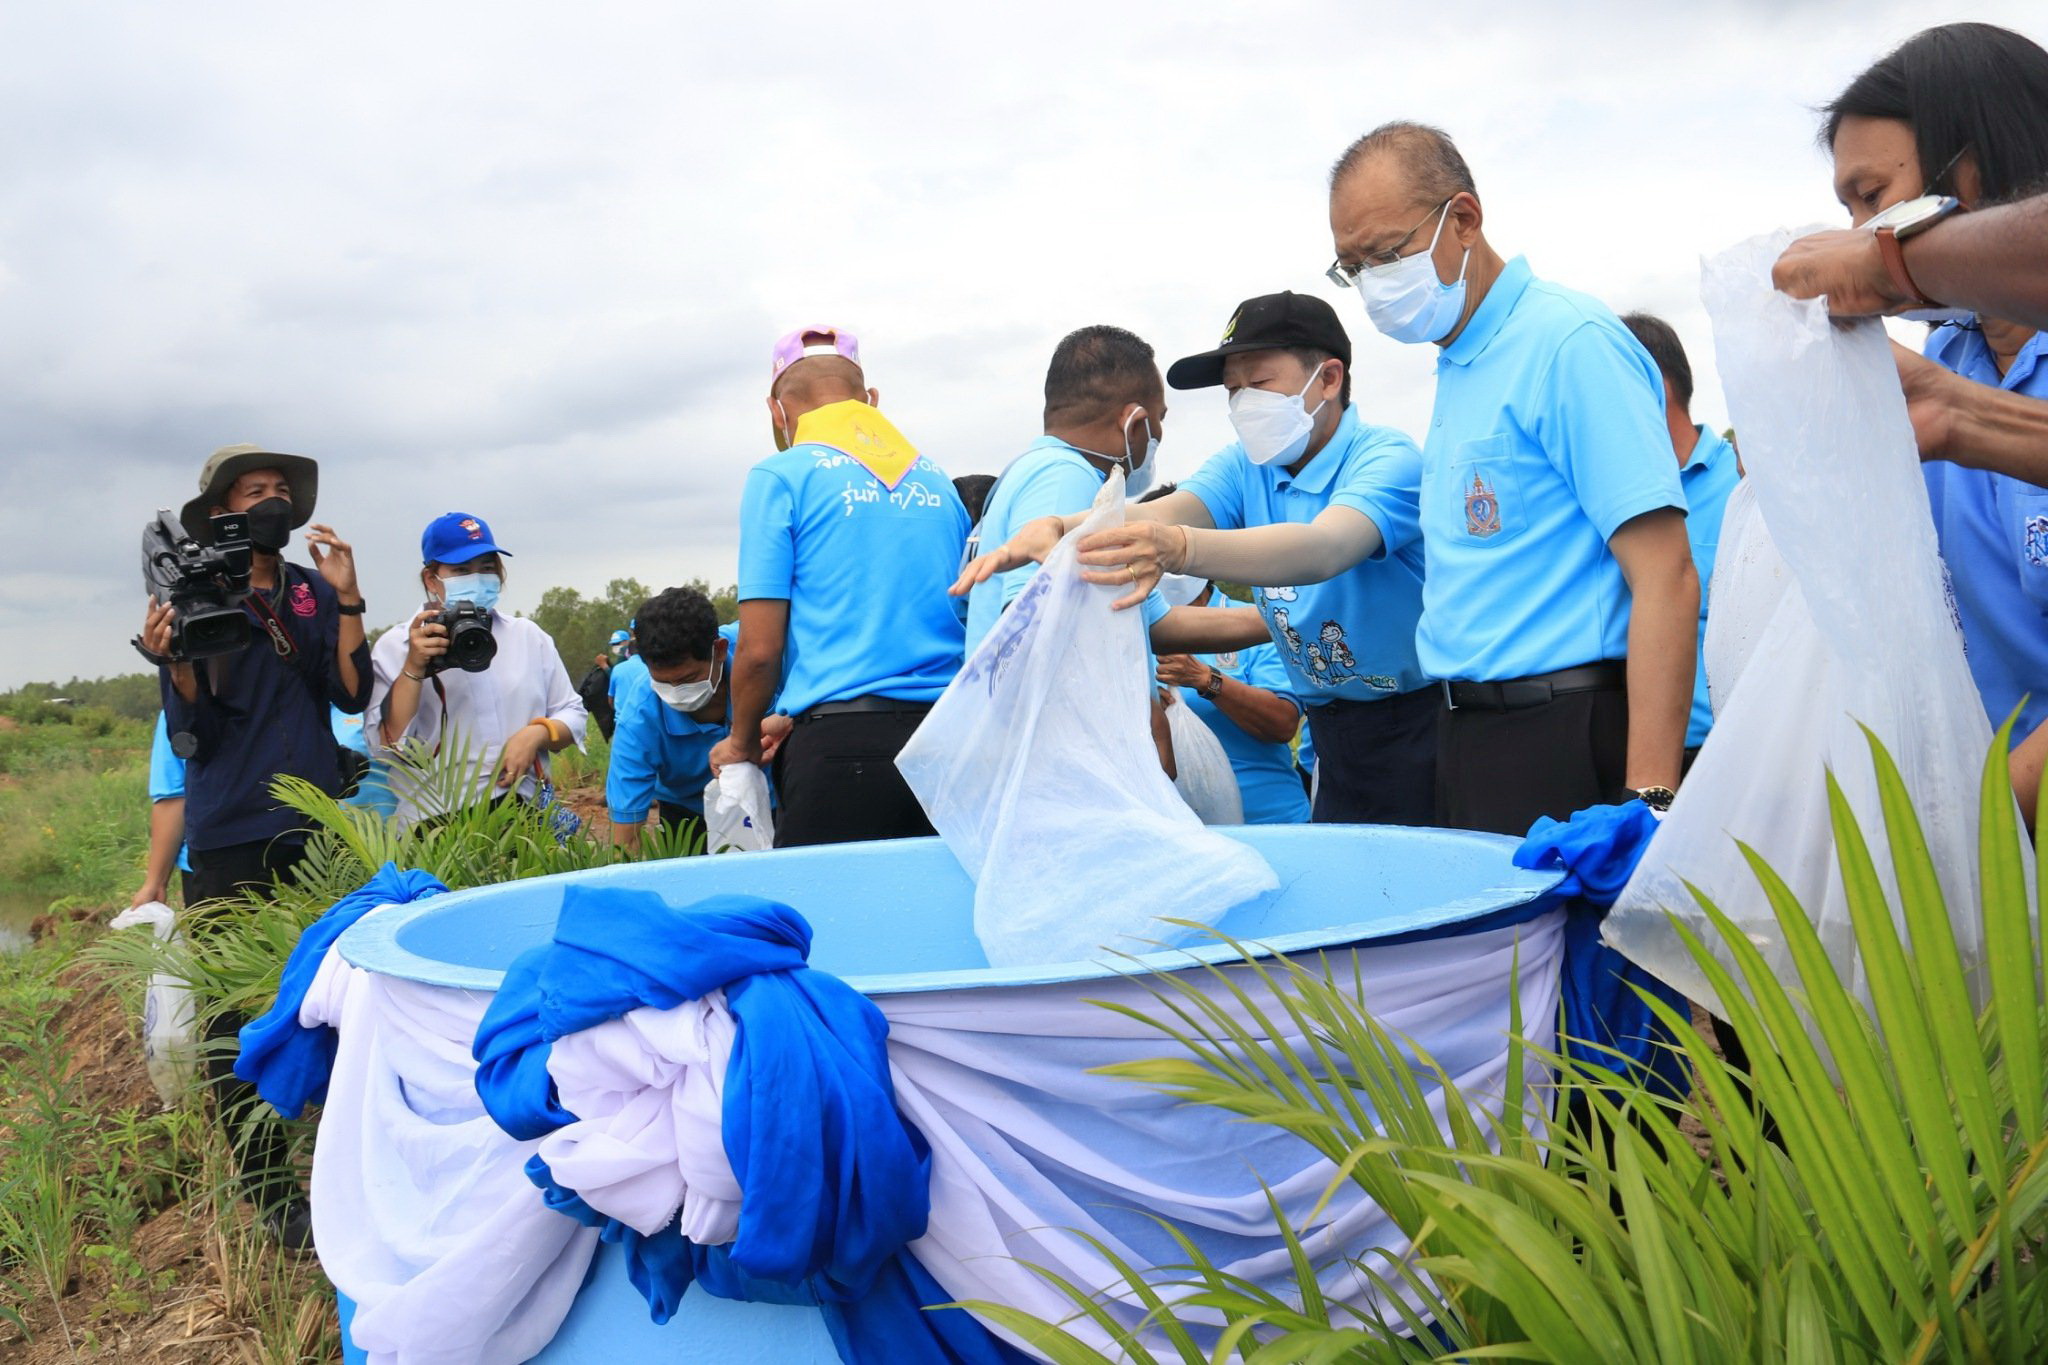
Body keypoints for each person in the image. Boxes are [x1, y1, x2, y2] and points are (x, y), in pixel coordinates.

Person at [1325, 122, 1696, 835]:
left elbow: (1667, 574)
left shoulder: (1566, 342)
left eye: (1385, 254)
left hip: (1566, 731)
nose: (1372, 284)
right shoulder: (1462, 362)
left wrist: (1650, 798)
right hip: (1468, 736)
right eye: (1353, 266)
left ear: (1463, 219)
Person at [1020, 292, 1439, 825]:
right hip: (1331, 730)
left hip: (1420, 721)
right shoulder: (1247, 466)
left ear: (1328, 379)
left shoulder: (1386, 459)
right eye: (1233, 390)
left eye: (1258, 384)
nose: (1242, 403)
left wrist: (1178, 546)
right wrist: (1062, 525)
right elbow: (1177, 507)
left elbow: (1323, 549)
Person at [136, 443, 372, 1249]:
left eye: (281, 489)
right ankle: (273, 1193)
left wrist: (347, 600)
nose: (271, 500)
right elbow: (192, 725)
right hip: (232, 829)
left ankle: (348, 1162)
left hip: (314, 820)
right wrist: (176, 659)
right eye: (253, 491)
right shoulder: (197, 587)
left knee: (339, 996)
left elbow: (349, 691)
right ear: (224, 511)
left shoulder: (308, 593)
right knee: (236, 1013)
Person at [1794, 25, 2048, 754]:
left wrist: (1984, 819)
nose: (1857, 237)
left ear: (1975, 171)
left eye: (1871, 197)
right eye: (1848, 213)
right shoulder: (1949, 359)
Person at [709, 326, 969, 847]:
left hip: (841, 754)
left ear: (777, 412)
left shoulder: (780, 476)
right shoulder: (939, 482)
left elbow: (760, 651)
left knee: (826, 926)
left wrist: (741, 742)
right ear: (871, 402)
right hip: (951, 747)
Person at [369, 513, 586, 827]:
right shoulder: (398, 645)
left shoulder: (526, 636)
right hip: (433, 821)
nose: (478, 577)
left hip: (522, 814)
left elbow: (573, 712)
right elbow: (388, 749)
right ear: (432, 579)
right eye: (461, 570)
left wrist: (536, 733)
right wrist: (415, 666)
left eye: (487, 568)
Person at [1622, 313, 1739, 773]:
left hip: (1734, 762)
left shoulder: (1747, 488)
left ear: (1653, 387)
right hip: (1637, 766)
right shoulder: (1602, 504)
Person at [1153, 574, 1311, 824]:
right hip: (1177, 825)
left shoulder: (1252, 623)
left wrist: (1207, 680)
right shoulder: (1133, 632)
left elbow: (1282, 723)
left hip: (1266, 820)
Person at [606, 586, 752, 851]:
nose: (676, 694)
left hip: (770, 795)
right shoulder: (640, 720)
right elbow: (625, 840)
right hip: (687, 810)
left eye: (687, 680)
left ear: (719, 650)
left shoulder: (759, 653)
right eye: (663, 682)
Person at [1773, 189, 2048, 329]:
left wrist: (1883, 262)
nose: (1858, 229)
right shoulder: (1944, 353)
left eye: (1872, 195)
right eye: (1850, 211)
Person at [134, 713, 193, 909]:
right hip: (288, 858)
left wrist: (155, 883)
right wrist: (155, 882)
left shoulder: (183, 703)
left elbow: (173, 796)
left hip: (212, 868)